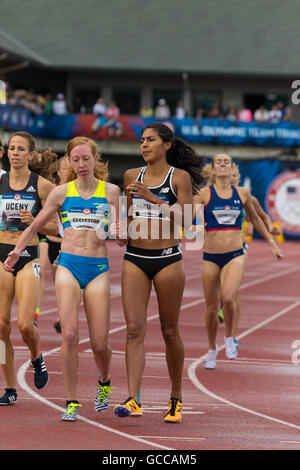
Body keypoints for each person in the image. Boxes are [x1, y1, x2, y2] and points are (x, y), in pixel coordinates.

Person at [3, 136, 121, 422]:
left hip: (97, 268)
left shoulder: (112, 192)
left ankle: (104, 381)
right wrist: (17, 252)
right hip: (67, 264)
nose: (81, 164)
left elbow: (122, 237)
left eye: (85, 158)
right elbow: (35, 226)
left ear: (95, 159)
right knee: (69, 335)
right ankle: (71, 401)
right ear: (69, 162)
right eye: (75, 159)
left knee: (100, 343)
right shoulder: (60, 193)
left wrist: (119, 229)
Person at [114, 122, 205, 423]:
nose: (144, 145)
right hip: (135, 258)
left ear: (166, 145)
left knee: (169, 330)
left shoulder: (178, 177)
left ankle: (176, 396)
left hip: (167, 259)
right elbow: (128, 215)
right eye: (141, 140)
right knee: (133, 329)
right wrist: (121, 230)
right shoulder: (131, 176)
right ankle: (133, 398)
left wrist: (154, 199)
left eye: (151, 140)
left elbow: (189, 223)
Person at [193, 153, 283, 370]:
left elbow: (254, 218)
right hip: (211, 256)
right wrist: (194, 226)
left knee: (228, 297)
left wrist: (271, 242)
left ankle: (230, 338)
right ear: (213, 169)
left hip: (235, 253)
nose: (223, 164)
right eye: (219, 162)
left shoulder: (242, 194)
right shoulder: (203, 195)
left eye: (227, 161)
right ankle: (212, 348)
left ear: (232, 167)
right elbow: (191, 218)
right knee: (212, 308)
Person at [0, 131, 59, 405]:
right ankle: (10, 387)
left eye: (20, 149)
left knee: (24, 324)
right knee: (1, 327)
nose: (14, 153)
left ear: (30, 155)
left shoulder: (43, 186)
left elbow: (59, 227)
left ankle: (36, 357)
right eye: (11, 148)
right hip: (2, 254)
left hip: (28, 255)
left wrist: (35, 220)